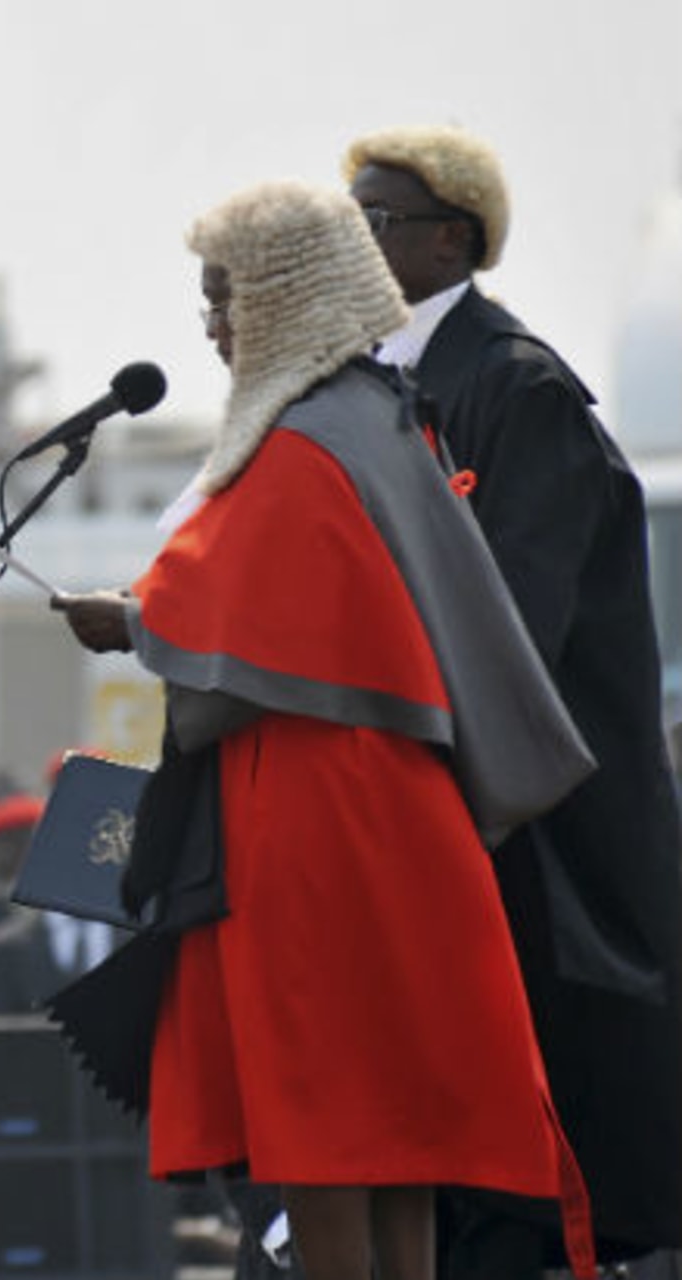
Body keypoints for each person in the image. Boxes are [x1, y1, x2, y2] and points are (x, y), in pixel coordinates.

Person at [51, 180, 597, 1280]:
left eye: (225, 297)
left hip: (314, 814)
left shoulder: (301, 443)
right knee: (394, 1138)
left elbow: (242, 624)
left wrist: (132, 621)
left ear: (284, 297)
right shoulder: (373, 416)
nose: (210, 324)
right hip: (384, 809)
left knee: (321, 1125)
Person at [343, 124, 682, 1276]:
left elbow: (509, 644)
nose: (357, 238)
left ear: (455, 240)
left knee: (521, 1187)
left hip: (529, 849)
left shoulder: (515, 390)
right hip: (422, 829)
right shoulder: (371, 382)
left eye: (378, 218)